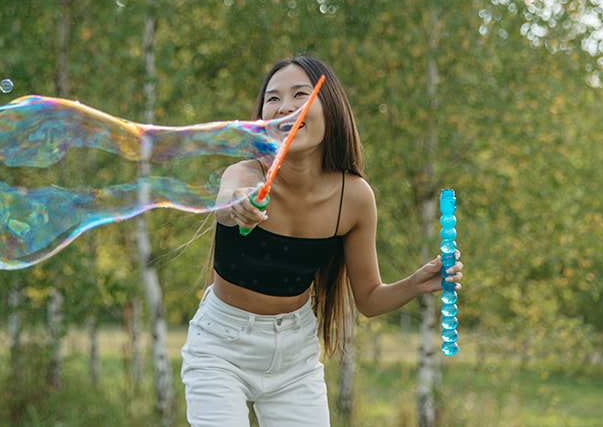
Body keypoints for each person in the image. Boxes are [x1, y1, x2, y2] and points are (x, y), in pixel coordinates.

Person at [180, 55, 464, 427]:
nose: (286, 107)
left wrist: (415, 284)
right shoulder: (245, 174)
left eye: (300, 94)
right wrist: (238, 209)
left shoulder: (355, 197)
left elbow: (369, 299)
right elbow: (225, 205)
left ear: (329, 109)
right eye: (274, 98)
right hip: (220, 347)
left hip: (294, 358)